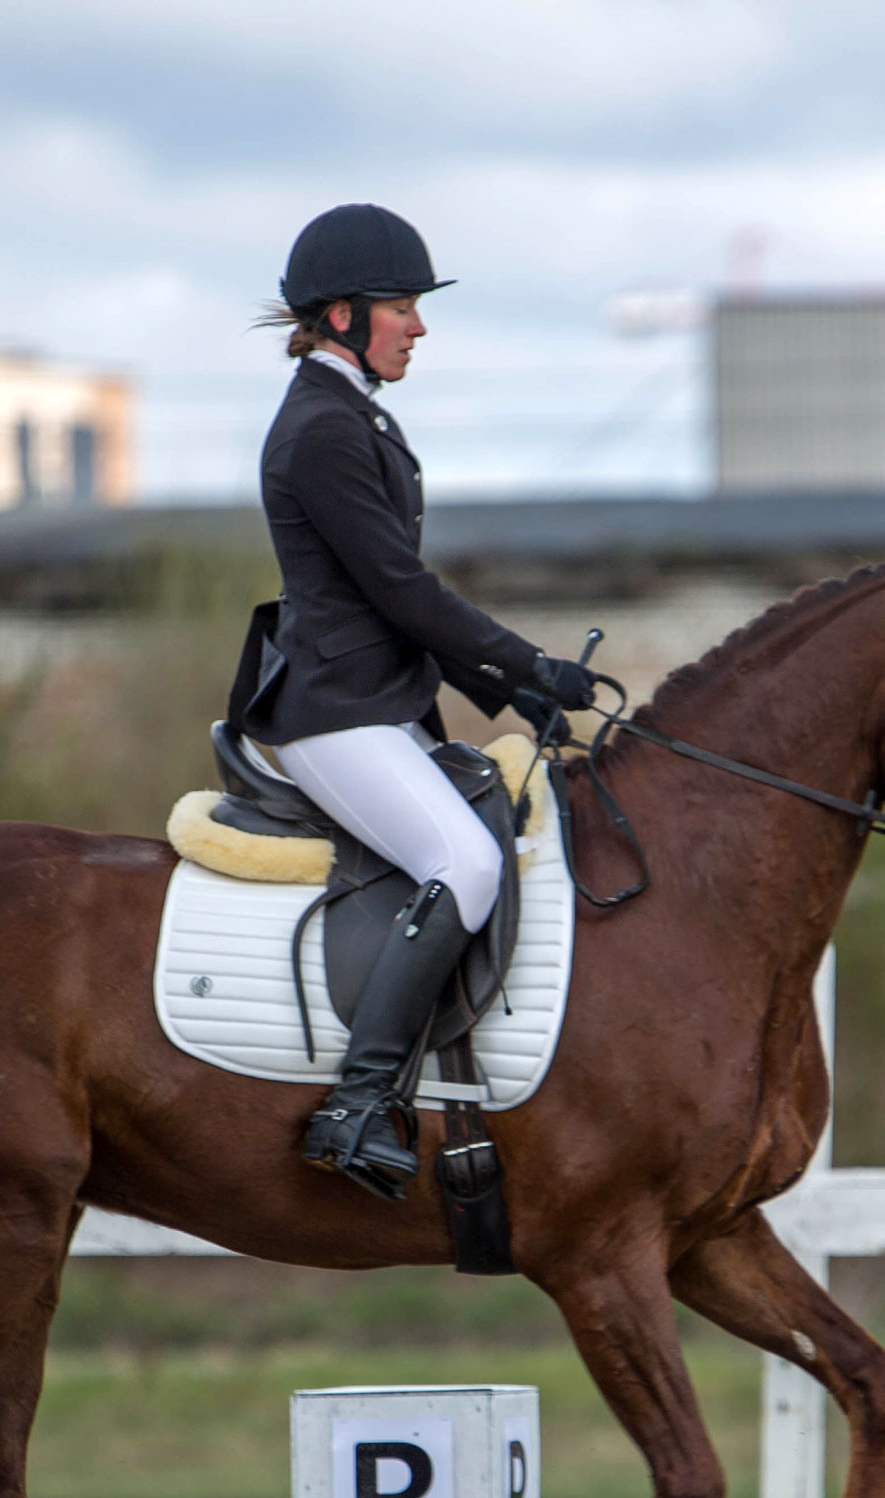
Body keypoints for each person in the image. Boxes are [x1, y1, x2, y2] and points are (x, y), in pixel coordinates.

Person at [231, 203, 600, 1201]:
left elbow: (389, 604)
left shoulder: (353, 414)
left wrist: (511, 693)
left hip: (373, 700)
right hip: (331, 714)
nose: (418, 326)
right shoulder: (320, 429)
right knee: (464, 862)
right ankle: (356, 1103)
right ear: (343, 315)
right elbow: (401, 592)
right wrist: (529, 661)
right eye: (402, 307)